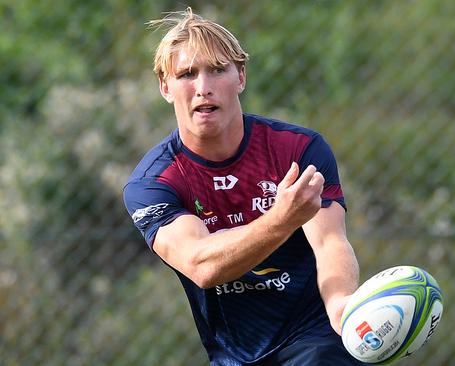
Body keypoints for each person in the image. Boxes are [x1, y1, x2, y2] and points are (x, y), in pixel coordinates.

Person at [123, 7, 368, 366]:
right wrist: (281, 219)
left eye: (218, 70)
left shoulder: (297, 151)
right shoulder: (155, 182)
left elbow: (330, 241)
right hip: (234, 354)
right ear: (165, 86)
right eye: (187, 74)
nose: (203, 87)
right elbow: (202, 265)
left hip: (314, 338)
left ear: (240, 77)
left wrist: (341, 303)